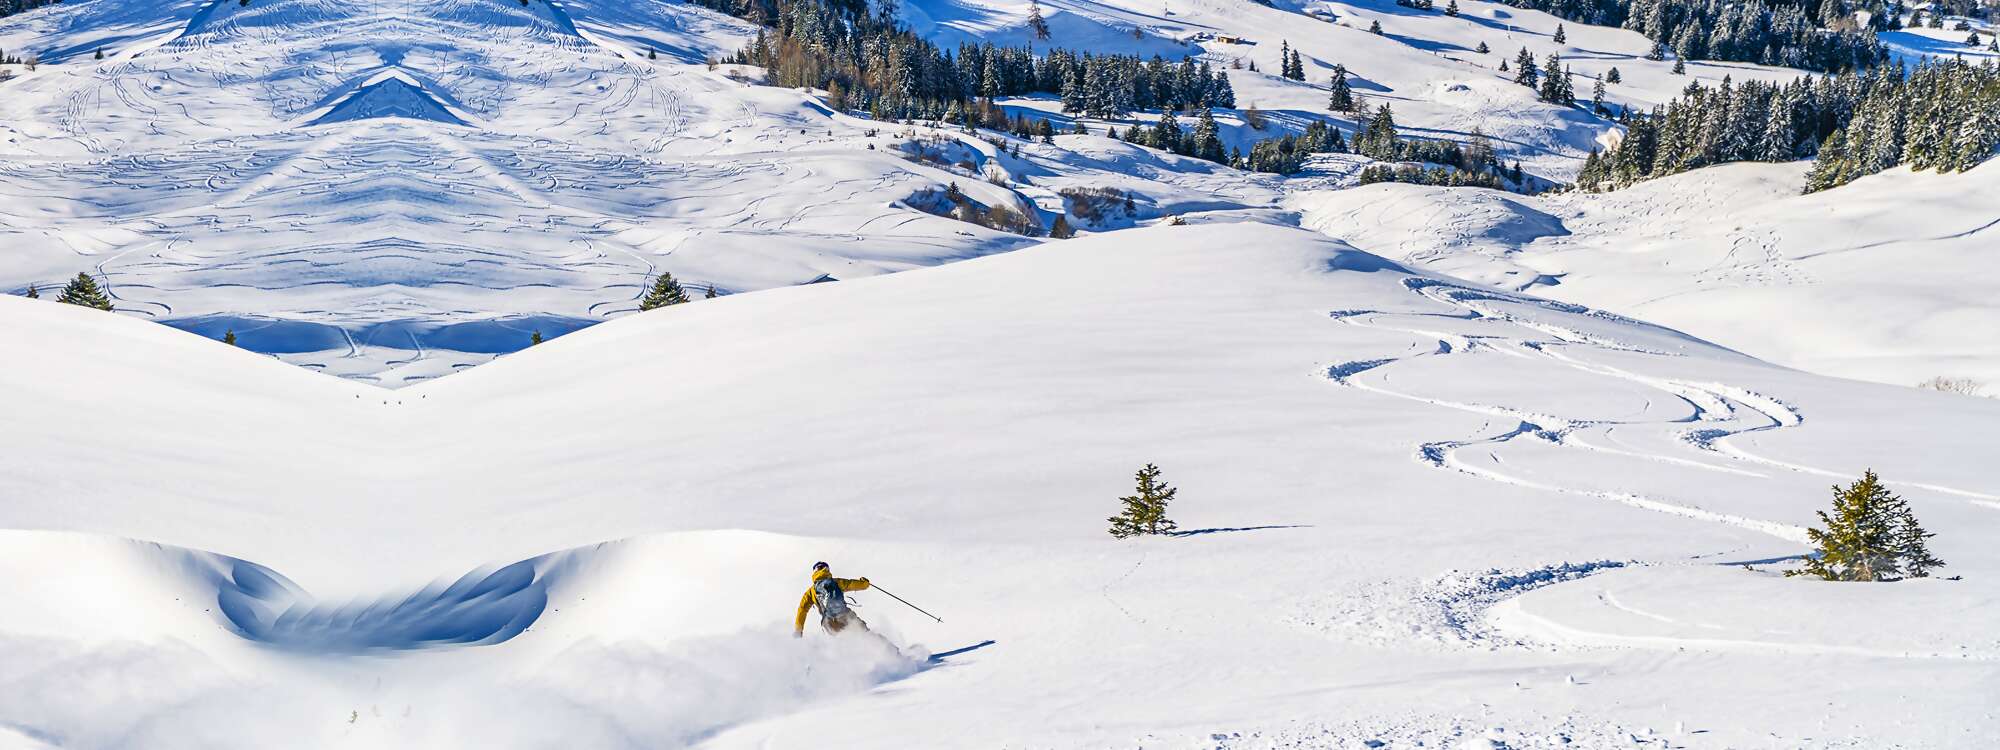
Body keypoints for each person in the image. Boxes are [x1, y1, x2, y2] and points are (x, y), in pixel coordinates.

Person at [793, 561, 871, 637]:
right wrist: (865, 582)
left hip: (828, 623)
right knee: (866, 635)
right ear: (827, 569)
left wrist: (798, 630)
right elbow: (857, 584)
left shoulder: (810, 592)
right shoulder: (837, 582)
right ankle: (880, 645)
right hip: (845, 616)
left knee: (841, 645)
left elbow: (802, 610)